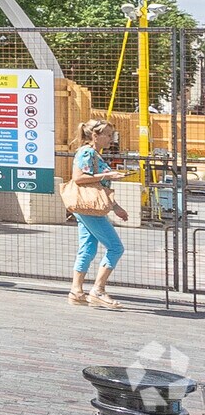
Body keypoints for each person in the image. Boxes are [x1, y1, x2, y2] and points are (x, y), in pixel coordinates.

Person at [68, 118, 129, 309]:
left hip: (88, 207)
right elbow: (78, 178)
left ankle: (76, 291)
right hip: (89, 209)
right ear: (95, 136)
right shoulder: (87, 152)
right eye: (108, 135)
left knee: (87, 248)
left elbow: (97, 186)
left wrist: (115, 206)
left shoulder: (94, 153)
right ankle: (98, 290)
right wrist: (107, 175)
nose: (111, 139)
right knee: (116, 248)